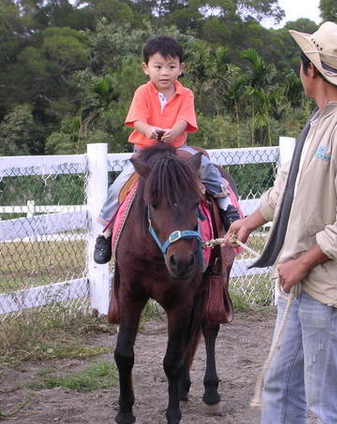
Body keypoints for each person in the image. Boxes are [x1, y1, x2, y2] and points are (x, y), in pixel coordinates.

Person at [224, 22, 337, 424]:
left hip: (330, 291)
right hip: (302, 286)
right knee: (281, 387)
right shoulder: (321, 122)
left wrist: (302, 261)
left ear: (311, 72)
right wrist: (252, 219)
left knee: (326, 402)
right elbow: (288, 188)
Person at [94, 35, 240, 264]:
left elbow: (185, 119)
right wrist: (149, 130)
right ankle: (106, 232)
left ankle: (226, 206)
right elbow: (137, 120)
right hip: (147, 150)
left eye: (171, 67)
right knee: (120, 184)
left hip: (176, 149)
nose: (164, 72)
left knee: (205, 165)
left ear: (180, 68)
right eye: (158, 66)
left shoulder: (186, 94)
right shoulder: (142, 92)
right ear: (146, 68)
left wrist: (174, 131)